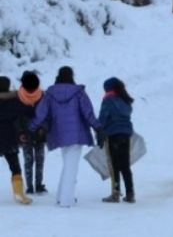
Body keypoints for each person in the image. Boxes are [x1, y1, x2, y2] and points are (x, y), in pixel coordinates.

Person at [28, 66, 103, 208]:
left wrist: (31, 129)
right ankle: (66, 200)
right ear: (71, 76)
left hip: (60, 134)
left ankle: (60, 196)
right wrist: (98, 127)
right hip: (77, 134)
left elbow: (41, 114)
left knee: (67, 166)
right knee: (71, 168)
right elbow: (88, 113)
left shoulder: (50, 94)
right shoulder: (79, 93)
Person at [98, 77, 135, 204]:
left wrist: (99, 134)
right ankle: (130, 193)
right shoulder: (125, 100)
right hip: (126, 135)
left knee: (114, 166)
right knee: (125, 165)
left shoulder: (108, 100)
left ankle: (115, 193)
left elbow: (103, 118)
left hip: (113, 134)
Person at [0, 76, 32, 205]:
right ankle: (19, 193)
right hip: (9, 138)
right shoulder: (15, 101)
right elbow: (25, 115)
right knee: (15, 167)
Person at [17, 71, 46, 195]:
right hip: (34, 134)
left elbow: (16, 117)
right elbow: (47, 115)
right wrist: (43, 128)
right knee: (38, 160)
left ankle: (32, 186)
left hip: (28, 134)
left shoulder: (18, 96)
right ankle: (36, 185)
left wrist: (20, 133)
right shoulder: (42, 95)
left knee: (29, 161)